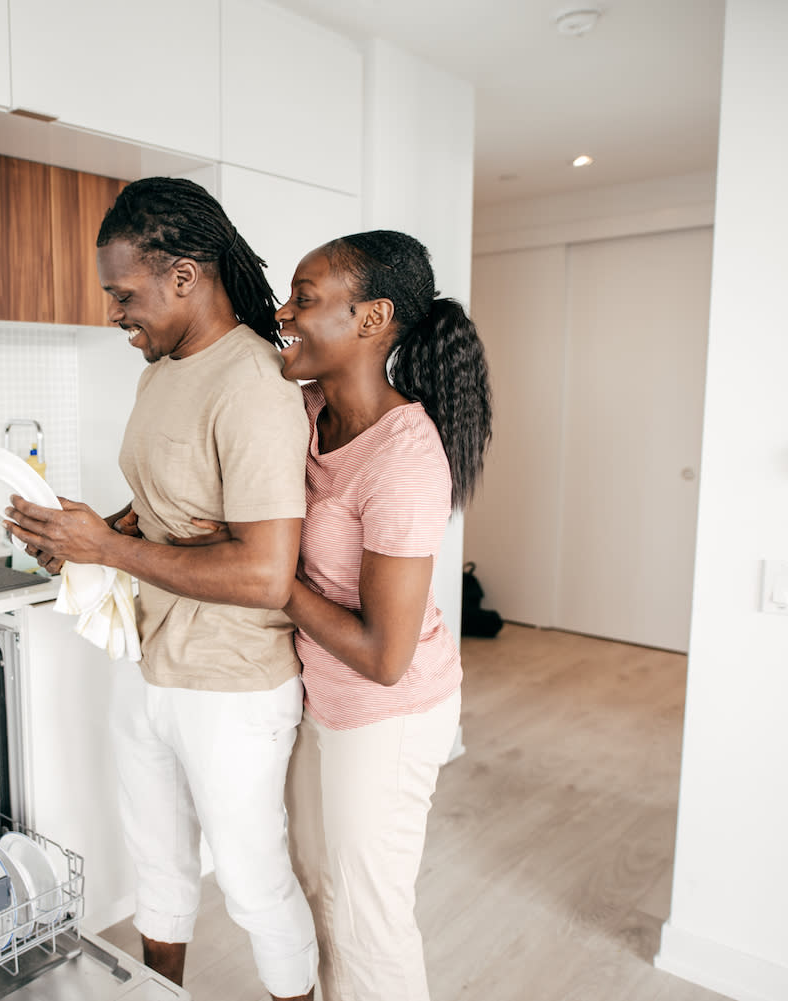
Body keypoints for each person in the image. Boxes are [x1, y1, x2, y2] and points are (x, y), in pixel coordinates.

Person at [4, 177, 319, 1001]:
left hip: (231, 685)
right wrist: (81, 541)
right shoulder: (163, 371)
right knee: (158, 868)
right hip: (151, 663)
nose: (115, 312)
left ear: (184, 276)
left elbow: (262, 571)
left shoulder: (253, 382)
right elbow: (157, 512)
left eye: (124, 293)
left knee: (253, 887)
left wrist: (107, 542)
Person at [175, 230, 492, 1000]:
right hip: (323, 697)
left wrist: (271, 580)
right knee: (318, 886)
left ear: (372, 318)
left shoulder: (406, 458)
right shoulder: (309, 409)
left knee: (369, 919)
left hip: (388, 709)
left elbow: (385, 656)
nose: (284, 312)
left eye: (305, 299)